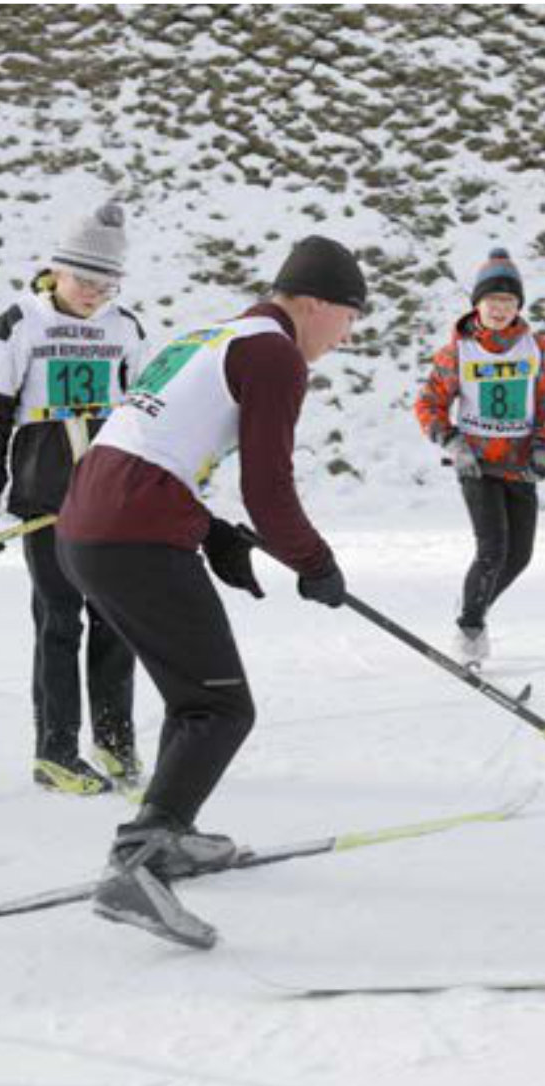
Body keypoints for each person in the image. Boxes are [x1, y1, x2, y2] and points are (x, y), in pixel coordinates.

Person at [56, 234, 365, 948]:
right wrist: (314, 562)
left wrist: (211, 531)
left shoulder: (218, 334)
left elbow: (151, 444)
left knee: (195, 697)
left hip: (94, 524)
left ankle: (168, 834)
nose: (346, 337)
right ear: (315, 303)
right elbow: (269, 486)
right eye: (349, 318)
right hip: (131, 532)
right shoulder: (273, 355)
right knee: (220, 706)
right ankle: (136, 861)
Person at [0, 202, 148, 797]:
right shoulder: (19, 323)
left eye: (107, 282)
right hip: (45, 500)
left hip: (110, 499)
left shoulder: (125, 327)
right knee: (59, 623)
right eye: (85, 279)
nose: (95, 293)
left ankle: (115, 742)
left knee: (117, 620)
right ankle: (56, 751)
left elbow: (142, 420)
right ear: (56, 270)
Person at [414, 248, 545, 668]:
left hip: (519, 464)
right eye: (492, 301)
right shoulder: (457, 352)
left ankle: (473, 607)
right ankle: (470, 628)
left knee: (520, 556)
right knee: (493, 549)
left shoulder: (535, 348)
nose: (500, 310)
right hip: (477, 464)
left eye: (509, 302)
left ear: (518, 306)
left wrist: (541, 445)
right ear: (477, 304)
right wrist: (453, 443)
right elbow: (429, 404)